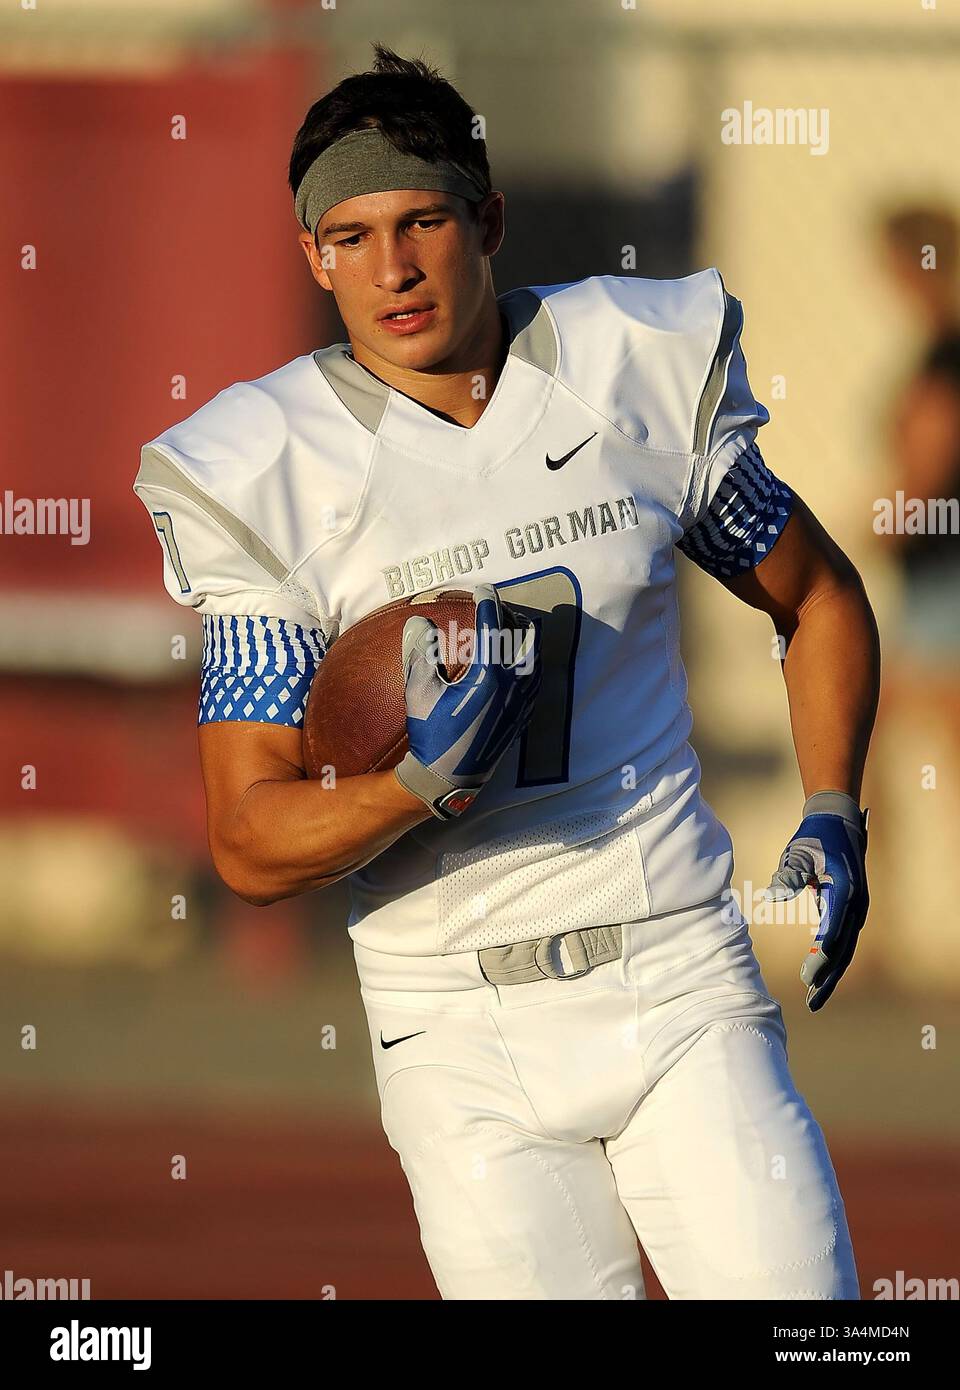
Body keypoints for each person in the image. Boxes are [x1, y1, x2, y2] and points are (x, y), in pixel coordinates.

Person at [134, 45, 880, 1300]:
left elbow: (817, 597)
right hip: (455, 1022)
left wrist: (833, 800)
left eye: (422, 219)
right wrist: (414, 786)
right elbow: (250, 836)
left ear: (485, 217)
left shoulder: (627, 368)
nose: (394, 266)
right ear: (313, 255)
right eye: (352, 234)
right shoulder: (266, 469)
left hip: (676, 968)